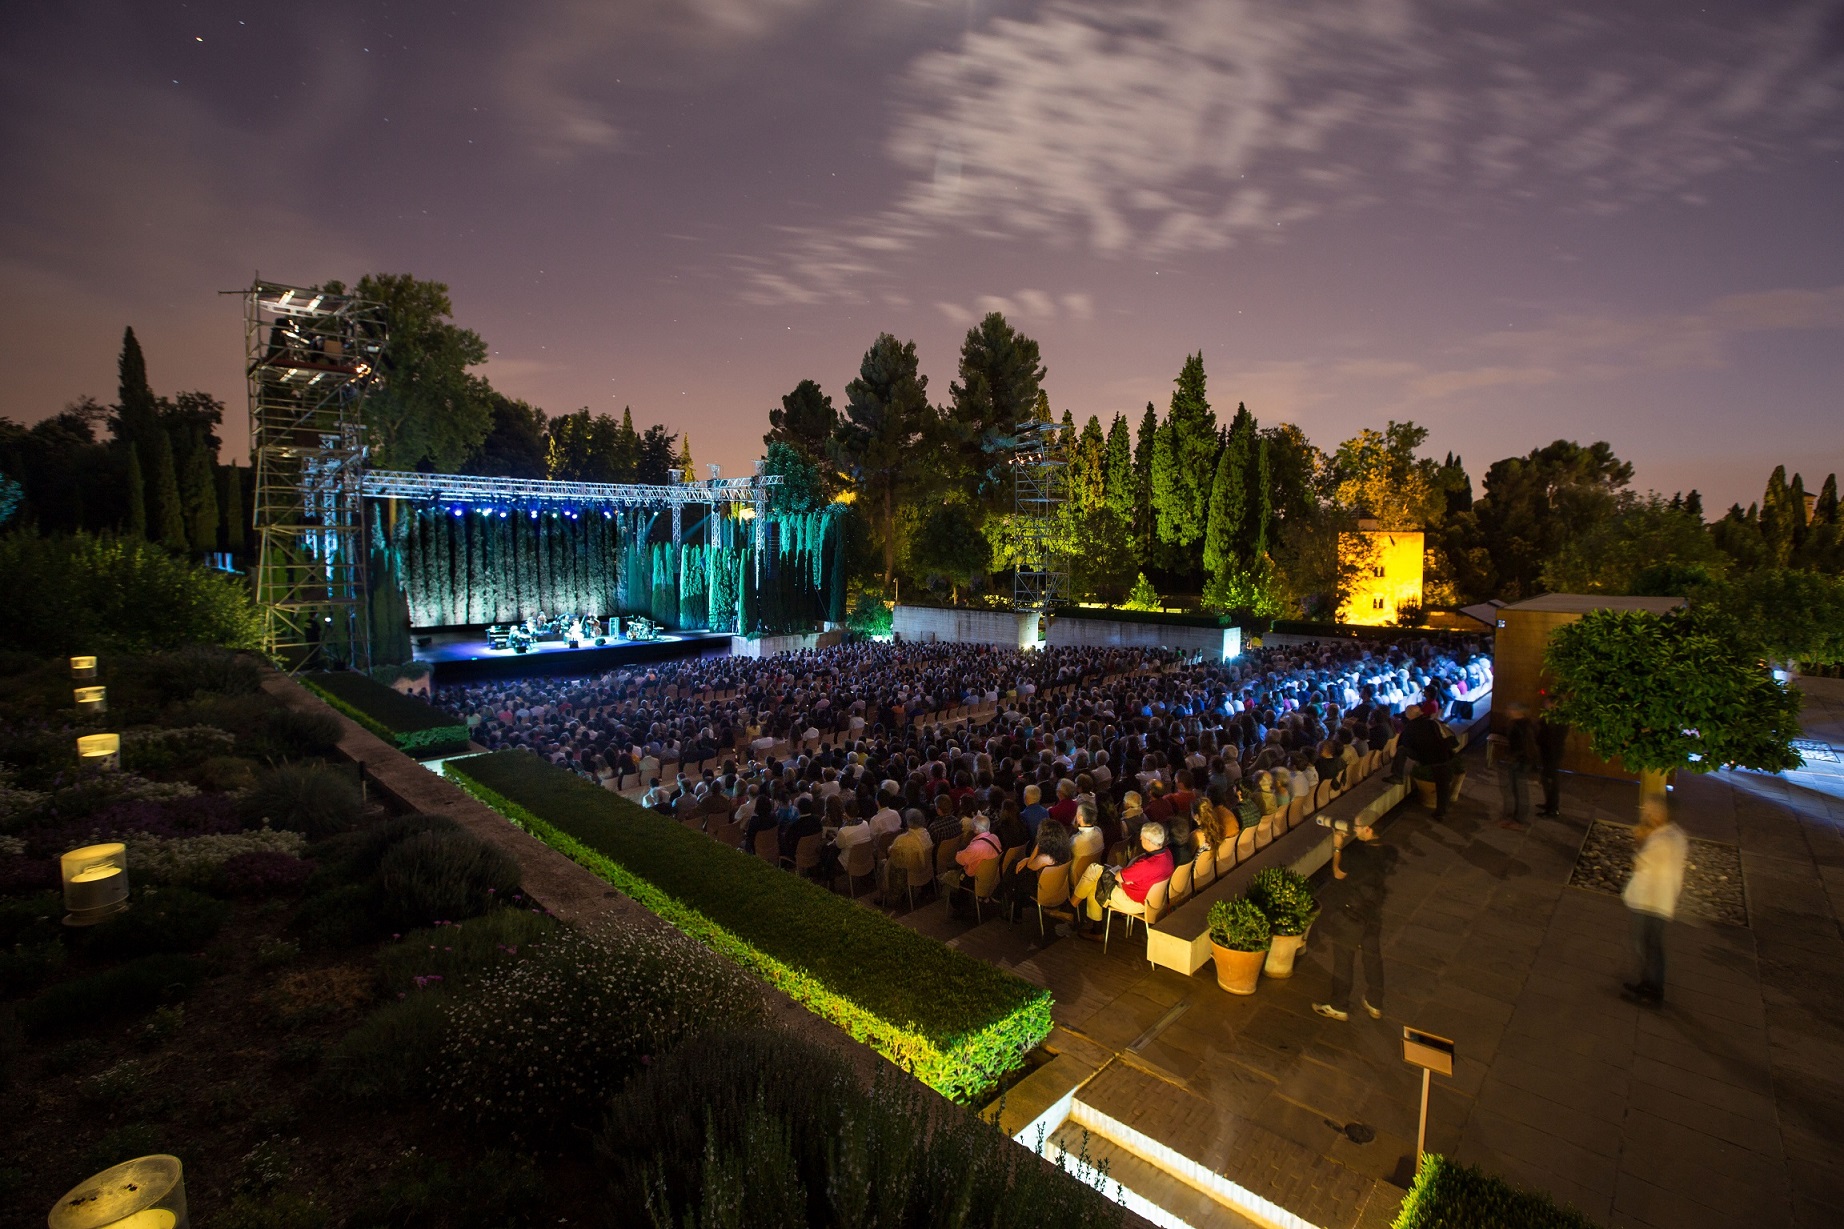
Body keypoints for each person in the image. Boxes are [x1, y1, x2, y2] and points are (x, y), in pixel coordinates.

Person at [1313, 822, 1396, 1022]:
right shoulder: (1386, 852)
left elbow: (1338, 872)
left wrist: (1337, 846)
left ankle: (1338, 1005)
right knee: (1372, 959)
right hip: (1373, 914)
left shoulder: (1357, 855)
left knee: (1343, 960)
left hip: (1352, 915)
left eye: (1359, 827)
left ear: (1368, 829)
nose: (1355, 829)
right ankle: (1375, 1002)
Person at [1621, 798, 1687, 1006]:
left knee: (1646, 944)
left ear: (1660, 813)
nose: (1645, 813)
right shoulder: (1677, 834)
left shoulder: (1660, 840)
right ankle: (1649, 983)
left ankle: (1654, 989)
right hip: (1661, 900)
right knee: (1652, 944)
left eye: (1649, 810)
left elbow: (1639, 864)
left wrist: (1640, 839)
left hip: (1649, 900)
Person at [1066, 822, 1174, 941]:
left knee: (1093, 871)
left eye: (1142, 837)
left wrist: (1128, 873)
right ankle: (1092, 927)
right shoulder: (1166, 854)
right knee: (1094, 879)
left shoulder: (1146, 865)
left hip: (1133, 902)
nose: (1140, 839)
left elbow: (1119, 877)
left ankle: (1071, 909)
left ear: (1148, 841)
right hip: (1153, 900)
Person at [1387, 704, 1456, 820]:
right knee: (1442, 784)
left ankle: (1397, 775)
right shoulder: (1432, 722)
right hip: (1442, 755)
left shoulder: (1410, 727)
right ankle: (1441, 812)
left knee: (1402, 750)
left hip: (1426, 757)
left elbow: (1406, 745)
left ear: (1408, 716)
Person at [1497, 702, 1539, 829]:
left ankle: (1519, 820)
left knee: (1520, 790)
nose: (1508, 711)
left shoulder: (1521, 726)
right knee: (1515, 789)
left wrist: (1514, 757)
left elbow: (1524, 745)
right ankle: (1514, 817)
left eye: (1511, 709)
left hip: (1520, 761)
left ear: (1518, 712)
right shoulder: (1523, 724)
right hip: (1519, 760)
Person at [1536, 695, 1569, 817]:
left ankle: (1552, 808)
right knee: (1546, 779)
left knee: (1551, 780)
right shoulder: (1552, 717)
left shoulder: (1558, 719)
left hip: (1553, 753)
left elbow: (1554, 737)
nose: (1545, 705)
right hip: (1548, 751)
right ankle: (1549, 804)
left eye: (1547, 703)